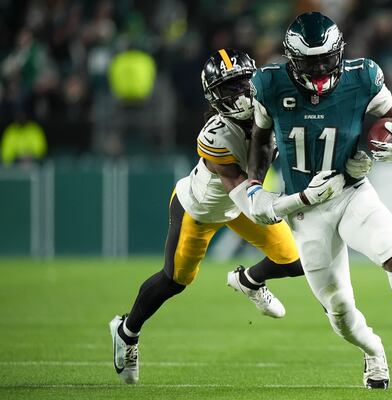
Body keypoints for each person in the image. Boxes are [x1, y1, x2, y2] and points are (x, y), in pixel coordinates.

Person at [245, 13, 392, 390]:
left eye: (325, 60)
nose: (319, 70)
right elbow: (261, 138)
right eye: (309, 63)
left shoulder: (362, 77)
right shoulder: (269, 84)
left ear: (339, 53)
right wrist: (253, 182)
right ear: (292, 60)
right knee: (340, 312)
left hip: (350, 192)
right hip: (305, 211)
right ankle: (374, 351)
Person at [109, 48, 344, 384]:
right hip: (203, 209)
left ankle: (248, 281)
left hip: (243, 204)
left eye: (244, 82)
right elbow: (247, 197)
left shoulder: (276, 106)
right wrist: (301, 199)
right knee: (175, 281)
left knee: (294, 261)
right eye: (229, 89)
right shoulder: (217, 136)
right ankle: (127, 331)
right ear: (214, 98)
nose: (241, 94)